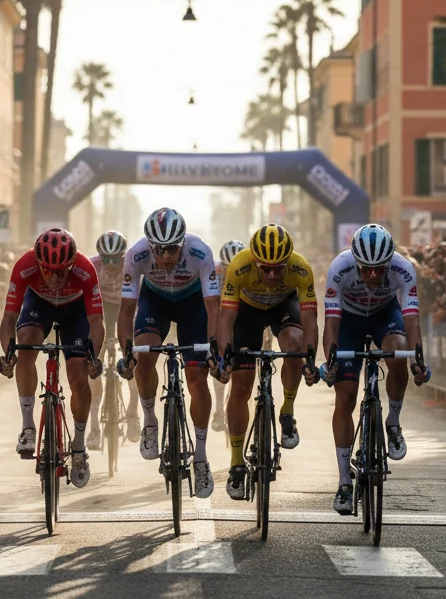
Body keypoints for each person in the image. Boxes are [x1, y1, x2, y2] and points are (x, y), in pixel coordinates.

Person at [319, 224, 429, 514]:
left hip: (384, 315)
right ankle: (344, 482)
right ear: (356, 261)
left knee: (398, 352)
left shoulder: (403, 269)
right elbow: (331, 323)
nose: (371, 275)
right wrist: (330, 361)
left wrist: (417, 360)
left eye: (379, 269)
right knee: (344, 399)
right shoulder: (340, 267)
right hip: (349, 321)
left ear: (389, 262)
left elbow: (412, 319)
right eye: (365, 269)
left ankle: (392, 422)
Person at [116, 208, 220, 498]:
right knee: (143, 356)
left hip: (193, 305)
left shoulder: (200, 252)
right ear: (150, 246)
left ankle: (201, 457)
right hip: (156, 302)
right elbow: (126, 311)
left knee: (197, 379)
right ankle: (149, 419)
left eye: (172, 248)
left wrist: (214, 348)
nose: (165, 256)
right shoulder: (136, 255)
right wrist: (127, 352)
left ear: (182, 243)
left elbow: (213, 307)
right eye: (159, 249)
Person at [215, 223, 319, 501]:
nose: (272, 275)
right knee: (241, 386)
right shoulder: (239, 266)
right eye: (266, 269)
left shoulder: (301, 268)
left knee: (294, 345)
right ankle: (236, 462)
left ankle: (287, 411)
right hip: (247, 311)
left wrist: (309, 359)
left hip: (283, 306)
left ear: (288, 263)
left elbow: (310, 320)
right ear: (255, 262)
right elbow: (226, 319)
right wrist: (225, 358)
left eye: (278, 269)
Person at [0, 228, 104, 489]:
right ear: (38, 264)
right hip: (39, 305)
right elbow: (9, 317)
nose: (55, 277)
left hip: (75, 311)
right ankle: (28, 427)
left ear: (71, 264)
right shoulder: (24, 266)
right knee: (25, 345)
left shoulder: (85, 269)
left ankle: (79, 447)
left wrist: (93, 357)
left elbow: (95, 321)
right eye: (47, 271)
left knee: (78, 376)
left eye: (61, 271)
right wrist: (8, 355)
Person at [86, 230, 138, 449]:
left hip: (127, 307)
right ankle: (94, 427)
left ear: (122, 257)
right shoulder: (92, 266)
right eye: (106, 259)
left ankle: (133, 413)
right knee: (92, 362)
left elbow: (143, 299)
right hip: (101, 308)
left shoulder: (132, 266)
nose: (110, 264)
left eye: (115, 259)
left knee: (133, 359)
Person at [210, 238, 247, 432]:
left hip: (243, 315)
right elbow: (211, 305)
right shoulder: (215, 272)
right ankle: (218, 410)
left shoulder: (251, 271)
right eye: (227, 268)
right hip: (221, 313)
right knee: (220, 358)